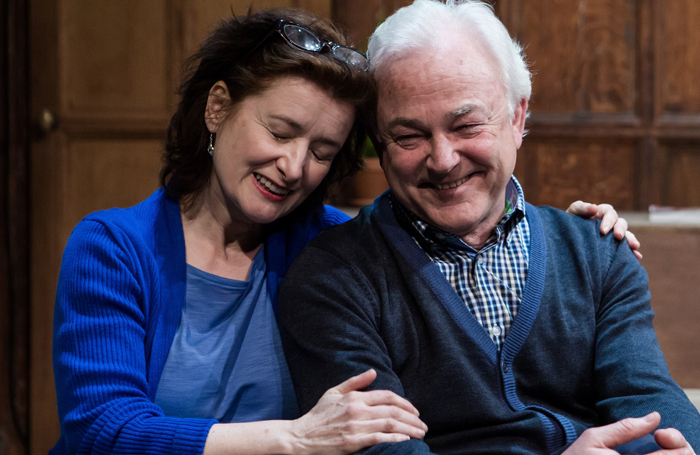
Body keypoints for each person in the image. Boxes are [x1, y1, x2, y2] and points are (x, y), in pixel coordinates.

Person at [50, 6, 636, 455]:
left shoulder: (331, 246)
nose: (295, 166)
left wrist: (572, 230)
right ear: (218, 108)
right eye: (280, 132)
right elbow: (103, 428)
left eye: (322, 150)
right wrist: (295, 439)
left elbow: (438, 213)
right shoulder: (115, 248)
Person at [277, 1, 700, 455]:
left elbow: (648, 398)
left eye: (466, 126)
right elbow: (379, 449)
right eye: (408, 137)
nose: (442, 160)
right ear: (379, 144)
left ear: (518, 118)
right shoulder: (332, 279)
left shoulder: (598, 251)